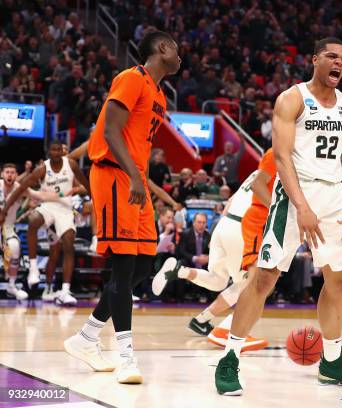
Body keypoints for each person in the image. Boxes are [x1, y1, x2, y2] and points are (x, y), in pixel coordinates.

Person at [215, 38, 342, 396]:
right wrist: (302, 206)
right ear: (315, 59)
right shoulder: (292, 99)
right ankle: (229, 358)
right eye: (332, 57)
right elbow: (283, 158)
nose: (339, 63)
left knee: (339, 280)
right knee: (263, 278)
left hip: (333, 196)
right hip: (293, 194)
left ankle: (332, 361)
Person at [63, 30, 181, 384]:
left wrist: (141, 181)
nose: (180, 54)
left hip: (135, 179)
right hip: (115, 175)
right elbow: (111, 132)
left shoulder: (159, 93)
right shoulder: (132, 78)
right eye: (175, 48)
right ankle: (126, 356)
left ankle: (86, 337)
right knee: (124, 268)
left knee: (143, 264)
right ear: (162, 49)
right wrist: (132, 176)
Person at [152, 150, 277, 351]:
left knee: (218, 279)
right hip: (242, 228)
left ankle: (180, 274)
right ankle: (228, 330)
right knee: (248, 286)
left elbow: (228, 203)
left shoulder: (256, 174)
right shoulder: (280, 174)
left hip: (224, 224)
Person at [1, 142, 90, 305]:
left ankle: (63, 290)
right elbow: (23, 189)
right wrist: (5, 209)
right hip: (47, 208)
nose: (58, 153)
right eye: (54, 150)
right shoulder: (42, 169)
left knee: (66, 246)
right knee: (42, 232)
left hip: (64, 210)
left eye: (61, 150)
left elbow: (86, 186)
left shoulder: (71, 165)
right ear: (49, 152)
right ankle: (35, 272)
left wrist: (78, 191)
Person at [0, 163, 67, 300]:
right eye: (7, 172)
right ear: (2, 174)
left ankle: (11, 286)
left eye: (13, 172)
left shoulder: (20, 188)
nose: (10, 175)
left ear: (17, 175)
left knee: (15, 248)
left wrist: (62, 194)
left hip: (7, 227)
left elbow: (39, 195)